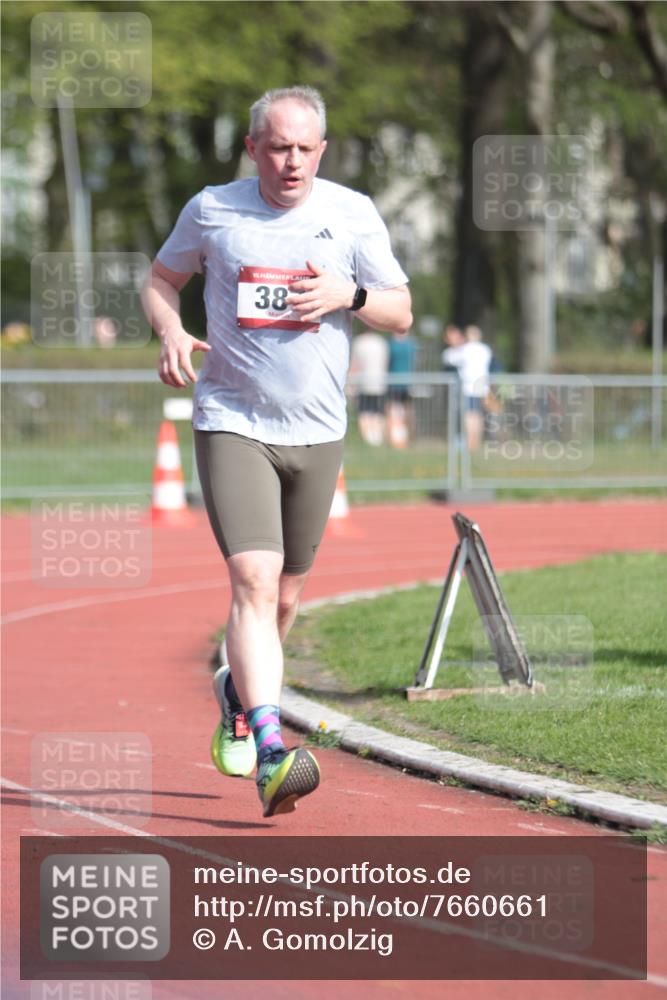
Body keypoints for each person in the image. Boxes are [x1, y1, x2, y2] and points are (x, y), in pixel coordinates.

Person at [141, 86, 411, 818]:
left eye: (304, 149)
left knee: (286, 598)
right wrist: (170, 328)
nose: (291, 161)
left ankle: (237, 691)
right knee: (254, 582)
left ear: (322, 150)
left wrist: (349, 295)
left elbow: (400, 312)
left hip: (317, 430)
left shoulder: (351, 213)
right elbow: (161, 279)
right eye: (278, 147)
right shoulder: (213, 210)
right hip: (233, 421)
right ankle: (269, 748)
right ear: (253, 148)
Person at [442, 324, 492, 452]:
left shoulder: (465, 350)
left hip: (468, 387)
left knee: (469, 415)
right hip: (482, 386)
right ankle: (476, 441)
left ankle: (470, 441)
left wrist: (455, 344)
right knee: (478, 415)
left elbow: (450, 359)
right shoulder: (485, 349)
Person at [349, 329, 389, 446]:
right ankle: (377, 439)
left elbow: (354, 365)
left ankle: (368, 439)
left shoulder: (359, 342)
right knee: (378, 413)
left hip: (363, 384)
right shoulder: (381, 342)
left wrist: (351, 385)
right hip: (379, 384)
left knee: (364, 413)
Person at [386, 329, 417, 448]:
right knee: (407, 411)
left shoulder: (392, 345)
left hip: (394, 382)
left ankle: (395, 439)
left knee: (394, 411)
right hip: (406, 382)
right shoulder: (411, 345)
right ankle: (408, 438)